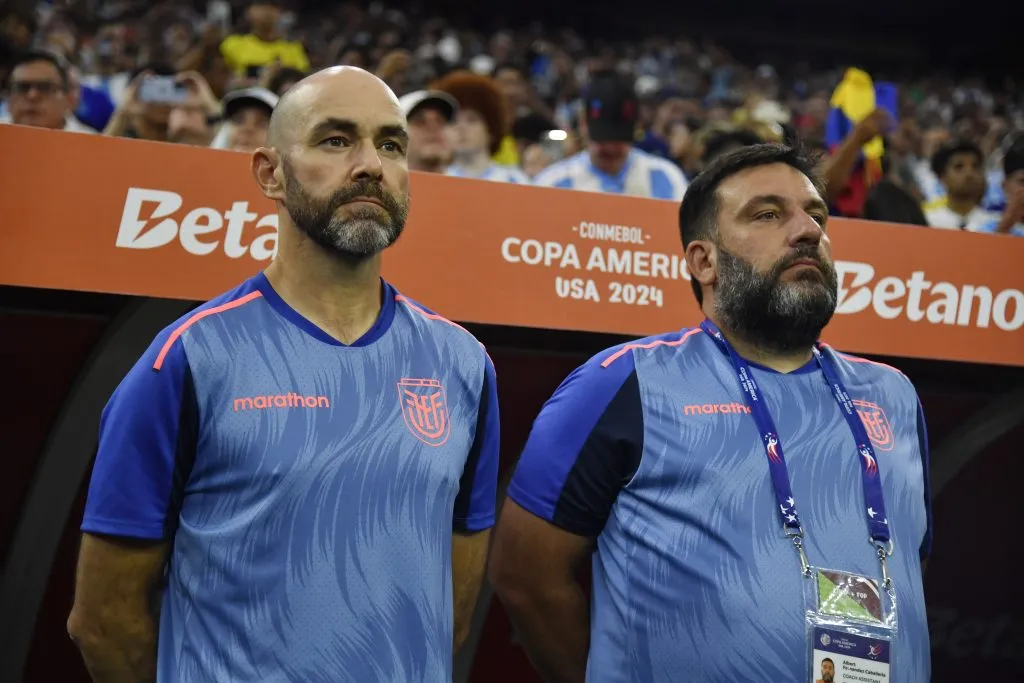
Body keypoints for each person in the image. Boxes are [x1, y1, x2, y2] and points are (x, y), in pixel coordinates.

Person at [67, 66, 499, 683]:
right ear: (270, 173)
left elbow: (449, 614)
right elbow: (103, 621)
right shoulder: (187, 359)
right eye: (335, 140)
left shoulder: (464, 365)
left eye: (390, 144)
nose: (371, 164)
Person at [488, 144, 932, 683]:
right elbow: (524, 575)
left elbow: (906, 564)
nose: (807, 231)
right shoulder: (623, 382)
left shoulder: (894, 396)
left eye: (815, 214)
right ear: (704, 261)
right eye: (768, 214)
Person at [533, 70, 689, 201]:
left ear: (637, 126)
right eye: (602, 138)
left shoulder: (667, 179)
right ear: (583, 124)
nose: (610, 148)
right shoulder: (552, 183)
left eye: (619, 139)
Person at [433, 70, 530, 184]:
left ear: (491, 130)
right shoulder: (434, 179)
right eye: (453, 121)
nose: (461, 127)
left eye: (472, 120)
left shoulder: (515, 181)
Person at [1, 50, 95, 134]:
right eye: (22, 87)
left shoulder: (93, 145)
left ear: (67, 99)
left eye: (44, 88)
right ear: (8, 98)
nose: (32, 96)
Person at [922, 140, 998, 231]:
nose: (969, 173)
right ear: (943, 177)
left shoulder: (995, 223)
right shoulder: (927, 222)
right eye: (959, 167)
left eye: (975, 166)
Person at [400, 89, 458, 173]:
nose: (433, 127)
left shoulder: (474, 185)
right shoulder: (381, 185)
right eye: (420, 121)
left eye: (440, 121)